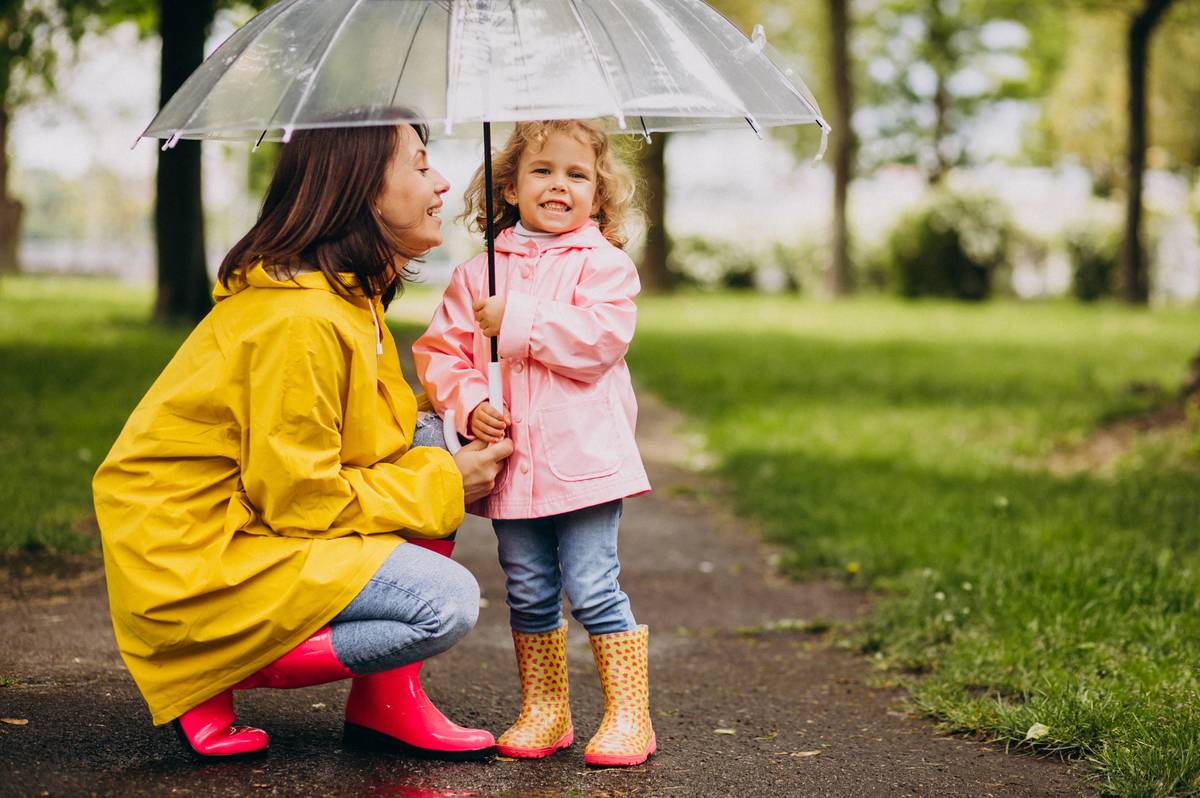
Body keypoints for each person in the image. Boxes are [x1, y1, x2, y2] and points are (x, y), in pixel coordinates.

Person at [92, 120, 513, 762]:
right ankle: (208, 667)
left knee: (437, 436)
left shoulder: (345, 296)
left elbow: (370, 441)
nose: (442, 182)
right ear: (367, 191)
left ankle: (385, 703)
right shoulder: (301, 320)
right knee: (444, 604)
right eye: (421, 166)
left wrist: (465, 406)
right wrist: (448, 482)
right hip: (199, 558)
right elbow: (302, 499)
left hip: (250, 520)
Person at [412, 120, 655, 767]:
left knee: (593, 584)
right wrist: (470, 404)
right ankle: (546, 710)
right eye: (542, 171)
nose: (559, 185)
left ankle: (630, 715)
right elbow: (443, 354)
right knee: (526, 587)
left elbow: (598, 341)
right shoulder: (478, 273)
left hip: (584, 464)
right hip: (513, 467)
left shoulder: (605, 266)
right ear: (509, 188)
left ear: (600, 197)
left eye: (578, 175)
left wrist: (516, 320)